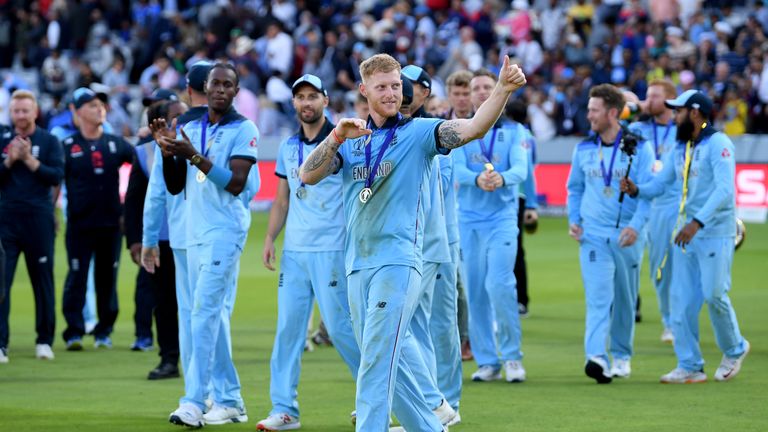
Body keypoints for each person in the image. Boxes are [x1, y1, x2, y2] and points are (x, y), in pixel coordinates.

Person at [299, 53, 526, 432]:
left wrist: (502, 89)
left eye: (395, 86)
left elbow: (472, 129)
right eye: (382, 87)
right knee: (392, 363)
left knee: (374, 357)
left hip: (399, 260)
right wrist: (336, 136)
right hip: (357, 263)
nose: (391, 93)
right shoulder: (351, 140)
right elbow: (307, 175)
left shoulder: (419, 133)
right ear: (363, 90)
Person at [621, 90, 750, 384]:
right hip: (686, 234)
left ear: (694, 113)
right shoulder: (681, 147)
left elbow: (724, 190)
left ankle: (735, 348)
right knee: (680, 301)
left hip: (713, 232)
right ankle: (690, 364)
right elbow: (661, 183)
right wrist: (637, 189)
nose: (674, 116)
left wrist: (697, 222)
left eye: (678, 111)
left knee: (714, 294)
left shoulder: (719, 144)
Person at [158, 63, 260, 427]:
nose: (219, 89)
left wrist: (192, 155)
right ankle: (231, 400)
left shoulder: (244, 128)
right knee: (209, 316)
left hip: (225, 232)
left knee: (201, 313)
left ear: (235, 91)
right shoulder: (189, 125)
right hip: (195, 232)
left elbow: (235, 182)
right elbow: (174, 186)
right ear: (206, 86)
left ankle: (193, 401)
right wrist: (169, 153)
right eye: (214, 83)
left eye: (227, 84)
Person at [256, 74, 360, 430]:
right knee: (289, 331)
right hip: (295, 252)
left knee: (342, 330)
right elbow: (282, 199)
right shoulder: (287, 146)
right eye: (300, 97)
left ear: (325, 101)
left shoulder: (344, 140)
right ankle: (284, 409)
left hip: (332, 248)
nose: (306, 103)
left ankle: (374, 398)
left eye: (313, 96)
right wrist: (271, 238)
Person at [566, 83, 654, 384]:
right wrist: (575, 219)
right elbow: (574, 188)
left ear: (612, 113)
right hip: (592, 234)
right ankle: (596, 357)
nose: (588, 115)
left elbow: (647, 195)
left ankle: (622, 354)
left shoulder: (639, 146)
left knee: (626, 300)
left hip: (627, 234)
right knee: (598, 298)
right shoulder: (583, 148)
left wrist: (635, 226)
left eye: (594, 110)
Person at [453, 69, 529, 384]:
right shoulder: (460, 129)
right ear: (469, 96)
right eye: (477, 88)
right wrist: (476, 178)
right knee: (475, 292)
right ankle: (487, 361)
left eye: (489, 86)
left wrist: (501, 178)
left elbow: (521, 169)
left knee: (499, 285)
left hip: (501, 218)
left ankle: (512, 356)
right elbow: (456, 168)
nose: (483, 92)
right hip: (469, 220)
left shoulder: (515, 132)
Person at [142, 62, 213, 382]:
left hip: (182, 236)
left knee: (189, 314)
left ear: (188, 91)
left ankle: (201, 392)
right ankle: (214, 392)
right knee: (213, 313)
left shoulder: (171, 134)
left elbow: (157, 193)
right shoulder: (236, 128)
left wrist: (148, 239)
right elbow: (245, 189)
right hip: (217, 233)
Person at [401, 67, 459, 427]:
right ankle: (422, 402)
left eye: (405, 85)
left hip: (426, 244)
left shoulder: (431, 132)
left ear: (424, 91)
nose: (399, 91)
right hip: (411, 245)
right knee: (415, 327)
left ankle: (437, 401)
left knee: (405, 324)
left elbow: (439, 188)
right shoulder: (396, 127)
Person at [61, 87, 135, 350]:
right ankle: (74, 331)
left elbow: (142, 166)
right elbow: (54, 183)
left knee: (107, 279)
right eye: (92, 105)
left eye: (100, 105)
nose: (99, 109)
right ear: (78, 112)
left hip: (111, 224)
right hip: (80, 224)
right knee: (77, 277)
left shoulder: (115, 143)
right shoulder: (68, 147)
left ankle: (104, 330)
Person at [0, 90, 64, 363]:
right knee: (2, 283)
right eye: (17, 111)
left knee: (43, 281)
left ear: (35, 112)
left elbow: (57, 175)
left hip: (38, 218)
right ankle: (1, 344)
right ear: (11, 113)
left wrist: (28, 160)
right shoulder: (3, 140)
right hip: (6, 219)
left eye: (26, 110)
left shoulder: (48, 141)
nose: (21, 115)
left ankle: (44, 340)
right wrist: (10, 159)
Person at [125, 98, 186, 380]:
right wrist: (135, 241)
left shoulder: (194, 148)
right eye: (177, 117)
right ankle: (169, 358)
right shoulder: (144, 154)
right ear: (157, 124)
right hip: (161, 239)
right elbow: (134, 199)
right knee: (163, 301)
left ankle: (198, 359)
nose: (183, 122)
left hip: (191, 235)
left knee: (195, 302)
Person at [627, 79, 678, 343]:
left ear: (670, 100)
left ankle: (680, 318)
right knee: (659, 268)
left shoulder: (681, 129)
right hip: (648, 204)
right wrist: (637, 107)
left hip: (676, 204)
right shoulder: (637, 128)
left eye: (655, 96)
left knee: (683, 267)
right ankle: (669, 321)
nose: (650, 100)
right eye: (648, 96)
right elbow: (617, 120)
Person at [440, 70, 473, 362]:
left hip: (473, 214)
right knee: (455, 284)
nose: (462, 99)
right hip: (446, 216)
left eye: (467, 93)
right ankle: (459, 338)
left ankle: (466, 338)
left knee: (466, 284)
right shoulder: (438, 125)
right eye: (458, 93)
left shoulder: (480, 124)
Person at [506, 100, 539, 318]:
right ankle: (521, 300)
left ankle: (513, 299)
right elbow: (531, 170)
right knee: (517, 249)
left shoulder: (511, 133)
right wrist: (531, 203)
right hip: (518, 196)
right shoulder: (530, 138)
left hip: (505, 192)